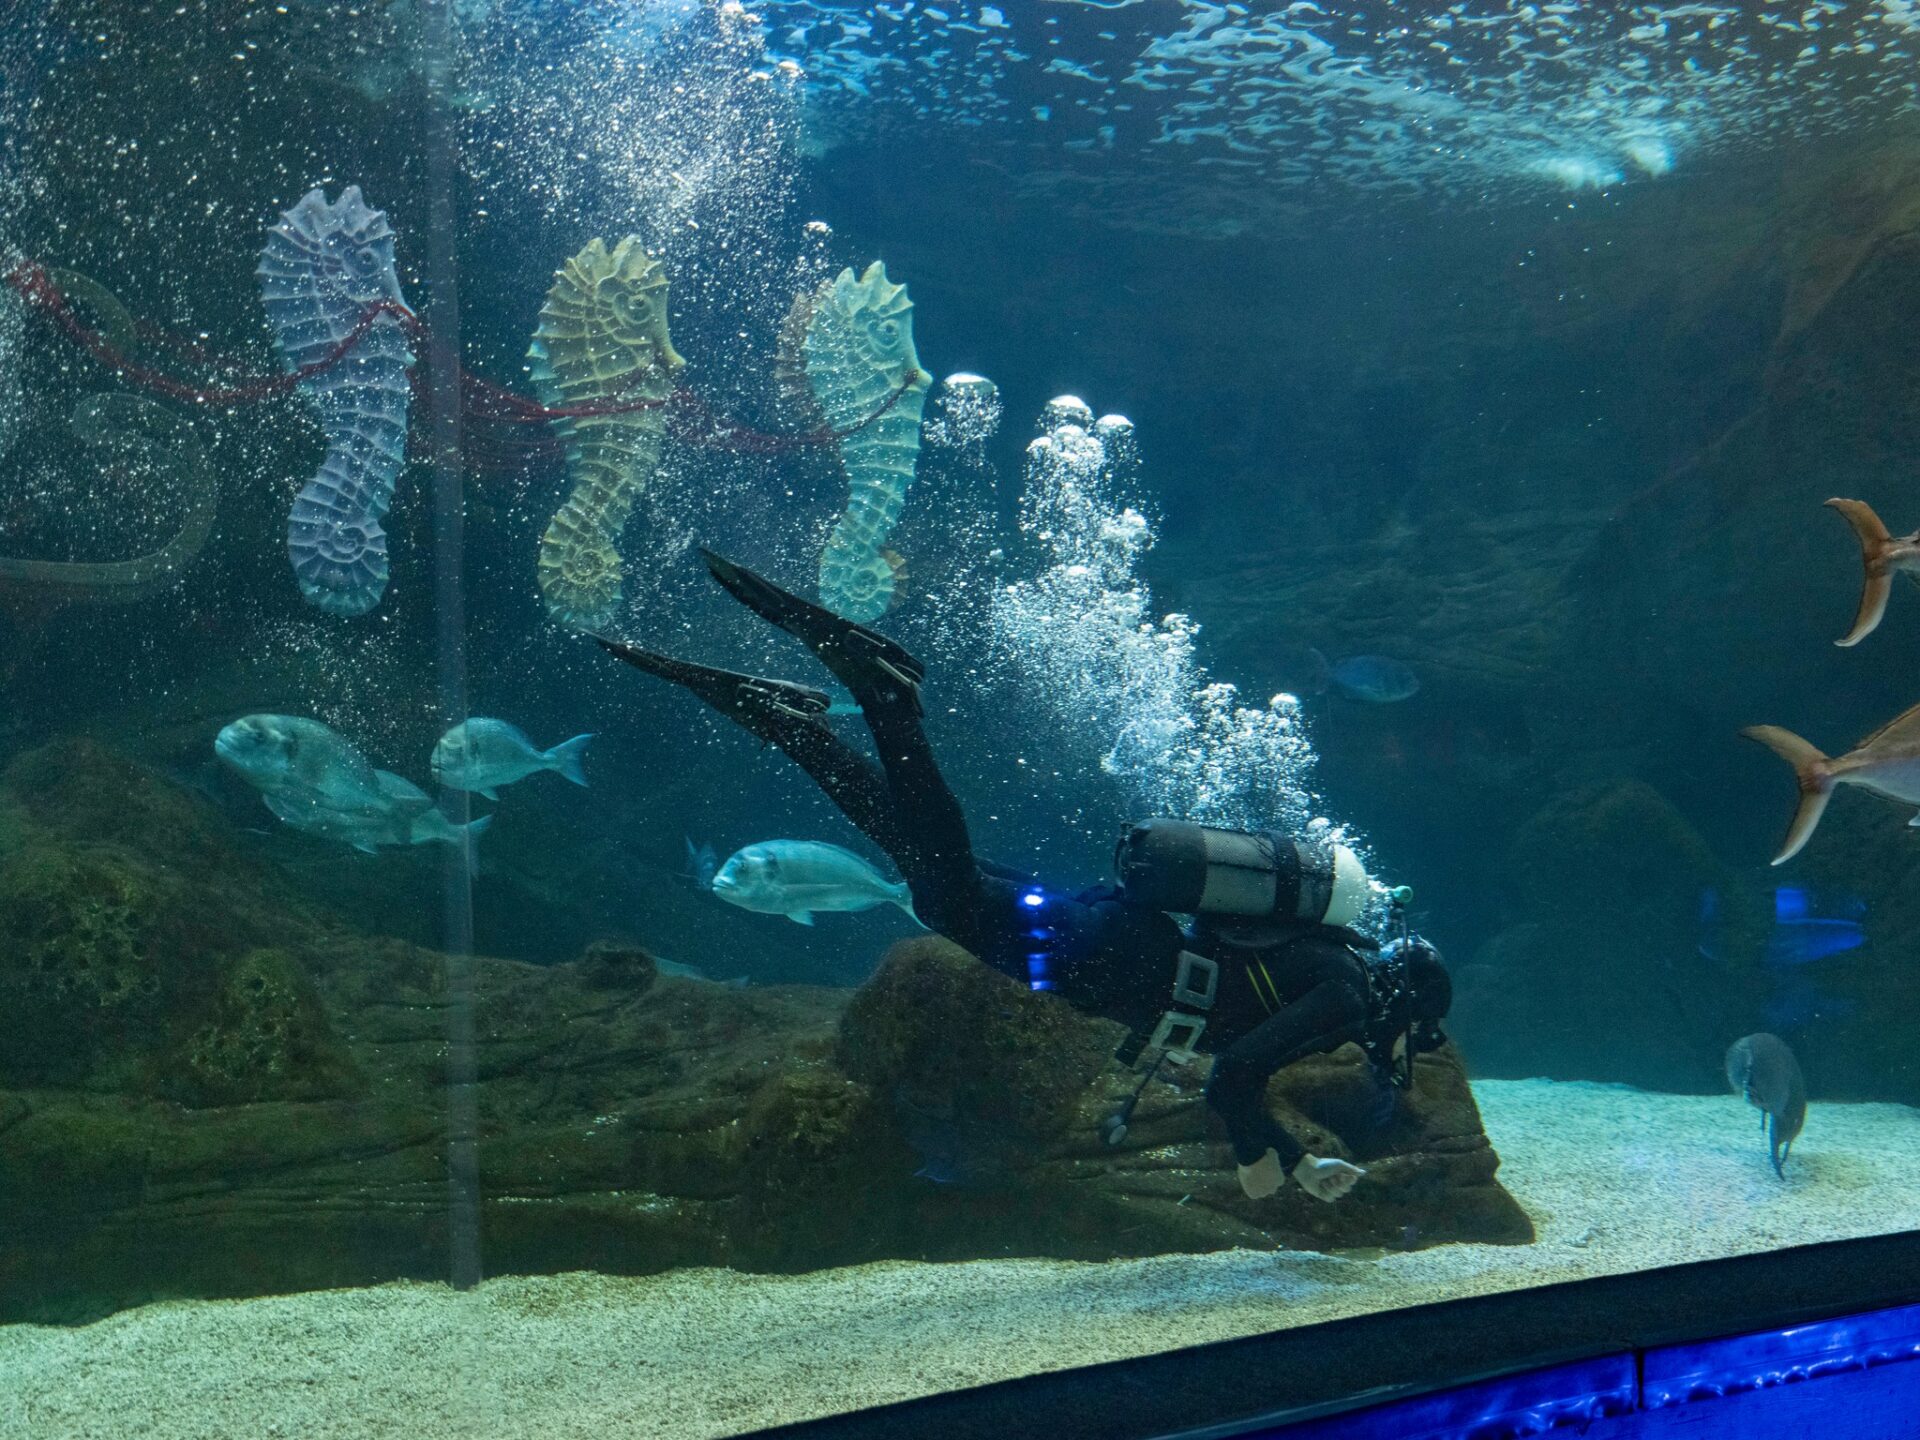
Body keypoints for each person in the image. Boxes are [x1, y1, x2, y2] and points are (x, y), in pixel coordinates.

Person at [599, 550, 1454, 1203]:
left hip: (1112, 936)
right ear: (1404, 1001)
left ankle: (793, 726)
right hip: (1107, 958)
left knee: (932, 869)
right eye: (1414, 1028)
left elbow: (1230, 1057)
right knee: (942, 892)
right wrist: (1289, 1163)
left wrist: (1260, 1150)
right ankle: (889, 699)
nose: (1400, 1042)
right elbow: (1235, 1075)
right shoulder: (1344, 993)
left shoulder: (1332, 959)